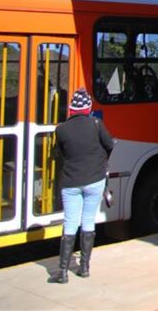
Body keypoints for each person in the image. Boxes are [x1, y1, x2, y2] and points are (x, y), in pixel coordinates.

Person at [48, 88, 115, 284]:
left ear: (71, 108)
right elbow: (109, 145)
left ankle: (62, 272)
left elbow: (59, 154)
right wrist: (100, 161)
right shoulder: (96, 124)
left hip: (70, 181)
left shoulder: (61, 129)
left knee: (70, 222)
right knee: (88, 221)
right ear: (88, 107)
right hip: (95, 179)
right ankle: (84, 267)